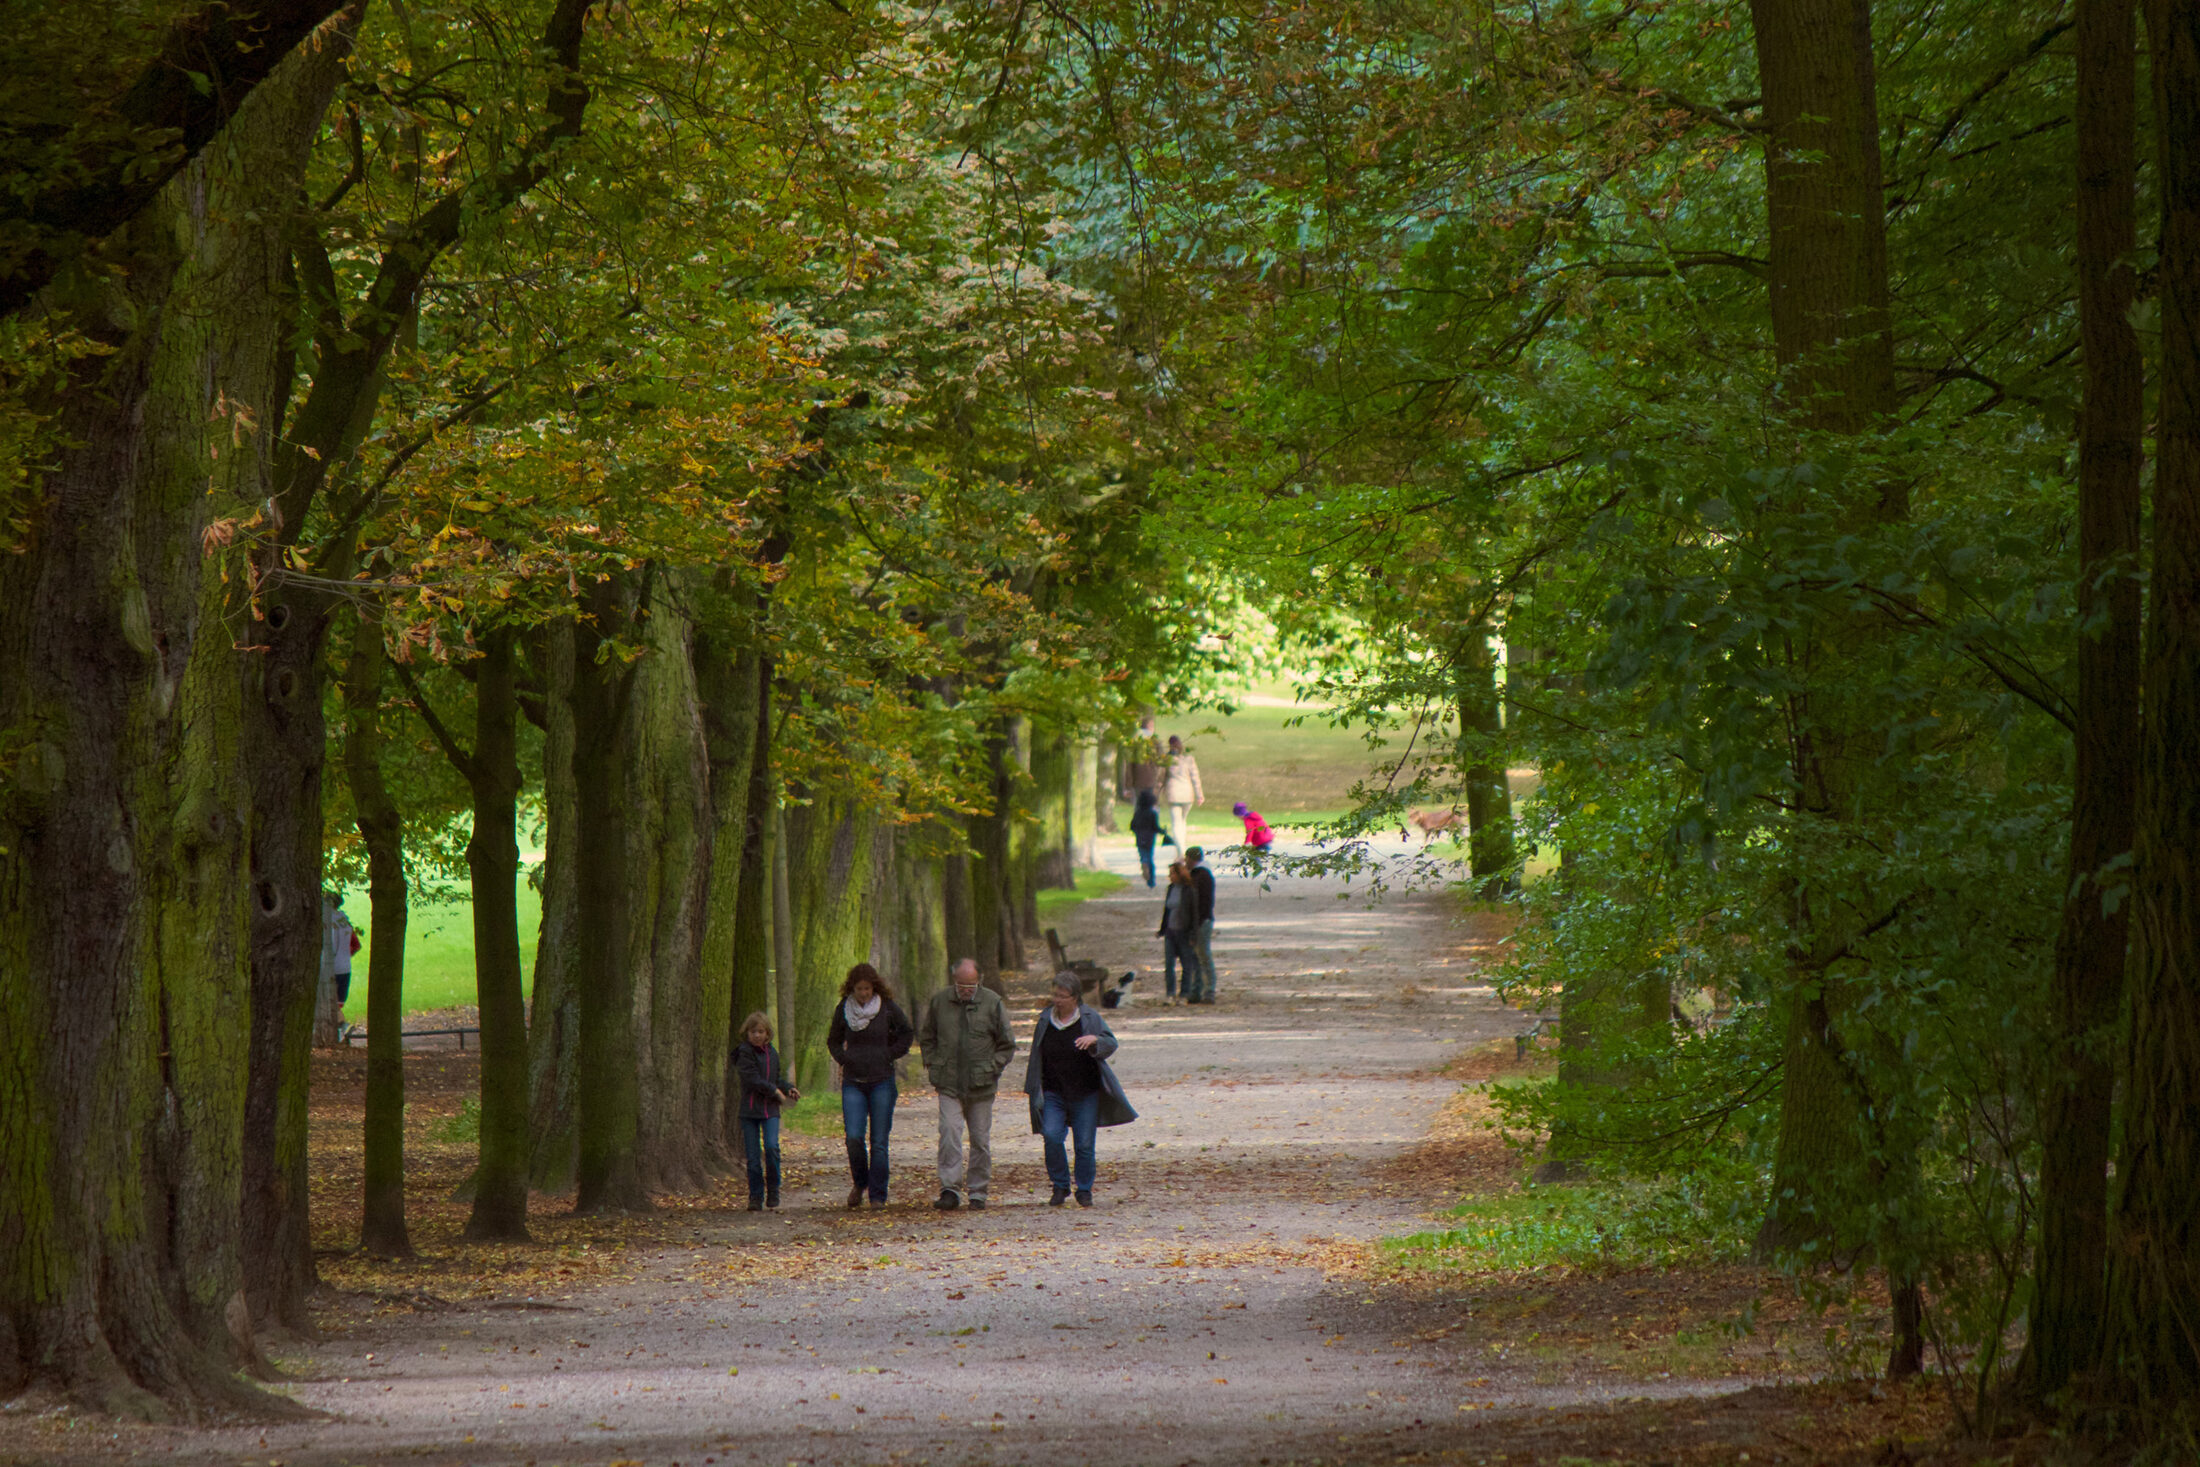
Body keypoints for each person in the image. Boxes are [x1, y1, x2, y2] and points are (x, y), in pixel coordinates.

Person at [1023, 971, 1137, 1207]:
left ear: (1075, 997)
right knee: (1052, 1136)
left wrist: (1095, 1041)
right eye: (1055, 994)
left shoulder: (1089, 1017)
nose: (1057, 1000)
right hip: (1053, 1091)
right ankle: (1060, 1185)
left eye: (1062, 996)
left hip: (1085, 1091)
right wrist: (1034, 1087)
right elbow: (1036, 1055)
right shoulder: (1045, 1019)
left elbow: (1110, 1043)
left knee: (1084, 1144)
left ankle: (1084, 1189)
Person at [918, 958, 1016, 1211]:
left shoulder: (993, 1003)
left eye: (970, 986)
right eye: (961, 985)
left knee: (980, 1140)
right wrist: (931, 1061)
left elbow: (1007, 1044)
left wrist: (993, 1067)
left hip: (982, 1084)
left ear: (979, 981)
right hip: (948, 1081)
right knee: (949, 1133)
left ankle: (978, 1192)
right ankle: (949, 1189)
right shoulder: (940, 1002)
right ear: (954, 981)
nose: (965, 990)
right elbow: (927, 1036)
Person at [826, 962, 914, 1209]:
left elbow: (907, 1033)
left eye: (866, 989)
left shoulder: (886, 1009)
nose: (863, 994)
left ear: (874, 988)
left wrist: (889, 1054)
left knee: (878, 1141)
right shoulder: (844, 1009)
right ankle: (860, 1182)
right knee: (854, 1137)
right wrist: (844, 1058)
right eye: (858, 989)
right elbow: (832, 1040)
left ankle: (878, 1195)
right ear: (851, 989)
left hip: (882, 1081)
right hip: (854, 1082)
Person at [733, 1012, 799, 1211]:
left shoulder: (772, 1053)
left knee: (771, 1148)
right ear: (748, 1033)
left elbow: (775, 1079)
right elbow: (751, 1079)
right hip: (750, 1110)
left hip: (770, 1110)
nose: (757, 1036)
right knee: (753, 1157)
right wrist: (774, 1091)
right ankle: (755, 1196)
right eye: (753, 1032)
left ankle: (773, 1189)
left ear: (767, 1033)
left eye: (760, 1032)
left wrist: (787, 1088)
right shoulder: (743, 1052)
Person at [1157, 861, 1200, 1003]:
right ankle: (1170, 993)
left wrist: (1194, 934)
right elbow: (1167, 911)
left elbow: (1194, 914)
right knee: (1169, 964)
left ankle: (1184, 994)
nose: (1170, 877)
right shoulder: (1170, 889)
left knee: (1186, 965)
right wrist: (1162, 929)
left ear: (1179, 874)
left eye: (1172, 874)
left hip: (1184, 932)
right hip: (1170, 931)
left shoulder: (1189, 891)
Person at [1185, 846, 1218, 1004]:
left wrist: (1194, 925)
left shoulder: (1200, 876)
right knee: (1196, 957)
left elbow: (1200, 904)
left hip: (1202, 921)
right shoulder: (1202, 875)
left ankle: (1209, 990)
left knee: (1203, 956)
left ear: (1191, 859)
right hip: (1201, 920)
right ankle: (1196, 990)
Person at [1160, 735, 1203, 850]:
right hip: (1187, 793)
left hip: (1173, 793)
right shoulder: (1189, 759)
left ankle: (1180, 849)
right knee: (1183, 821)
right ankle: (1182, 844)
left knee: (1176, 822)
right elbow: (1195, 777)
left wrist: (1158, 791)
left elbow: (1161, 777)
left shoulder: (1167, 759)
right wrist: (1199, 794)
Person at [1129, 789, 1163, 887]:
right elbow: (1155, 827)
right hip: (1150, 838)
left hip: (1140, 838)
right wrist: (1163, 831)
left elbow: (1132, 826)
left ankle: (1144, 864)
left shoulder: (1137, 813)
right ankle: (1151, 880)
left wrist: (1136, 832)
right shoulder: (1152, 813)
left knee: (1143, 855)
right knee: (1150, 857)